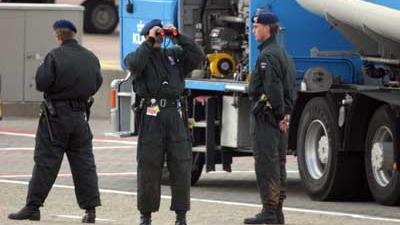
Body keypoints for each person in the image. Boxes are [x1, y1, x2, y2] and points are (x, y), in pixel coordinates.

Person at [8, 19, 103, 224]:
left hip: (56, 117)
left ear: (58, 35)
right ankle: (90, 211)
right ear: (73, 34)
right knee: (84, 164)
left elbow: (42, 83)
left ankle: (33, 207)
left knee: (46, 162)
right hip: (80, 116)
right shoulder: (90, 57)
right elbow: (97, 82)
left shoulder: (54, 56)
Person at [124, 19, 204, 225]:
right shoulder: (140, 56)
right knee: (149, 165)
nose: (159, 38)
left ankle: (181, 215)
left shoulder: (173, 55)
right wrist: (150, 42)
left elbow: (198, 56)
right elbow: (133, 65)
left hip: (174, 114)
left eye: (160, 35)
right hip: (152, 116)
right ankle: (146, 215)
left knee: (181, 165)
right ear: (146, 36)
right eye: (155, 34)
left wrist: (177, 36)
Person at [244, 12, 296, 224]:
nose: (253, 29)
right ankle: (277, 212)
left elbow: (273, 87)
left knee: (267, 164)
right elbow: (289, 88)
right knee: (279, 164)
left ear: (267, 28)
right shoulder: (282, 53)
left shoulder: (267, 56)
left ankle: (269, 211)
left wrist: (278, 114)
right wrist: (285, 114)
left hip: (267, 119)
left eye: (256, 26)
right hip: (278, 119)